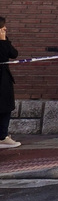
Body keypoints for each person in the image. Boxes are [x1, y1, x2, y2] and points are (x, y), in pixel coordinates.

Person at [0, 16, 18, 148]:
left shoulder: (4, 40)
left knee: (6, 107)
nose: (5, 28)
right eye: (2, 27)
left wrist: (4, 40)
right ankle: (2, 137)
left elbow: (13, 54)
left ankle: (3, 134)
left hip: (4, 78)